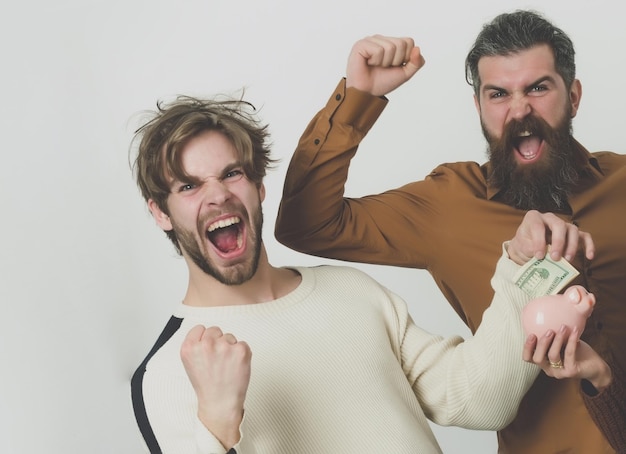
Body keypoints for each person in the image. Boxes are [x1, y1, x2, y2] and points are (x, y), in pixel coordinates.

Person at [128, 94, 606, 454]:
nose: (217, 197)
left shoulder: (350, 291)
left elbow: (477, 399)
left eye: (231, 174)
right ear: (160, 212)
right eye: (188, 185)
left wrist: (527, 265)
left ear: (257, 187)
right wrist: (216, 423)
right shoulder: (166, 372)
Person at [274, 9, 626, 454]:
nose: (519, 110)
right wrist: (359, 96)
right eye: (498, 94)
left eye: (538, 88)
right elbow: (307, 224)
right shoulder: (448, 205)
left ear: (572, 96)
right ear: (478, 107)